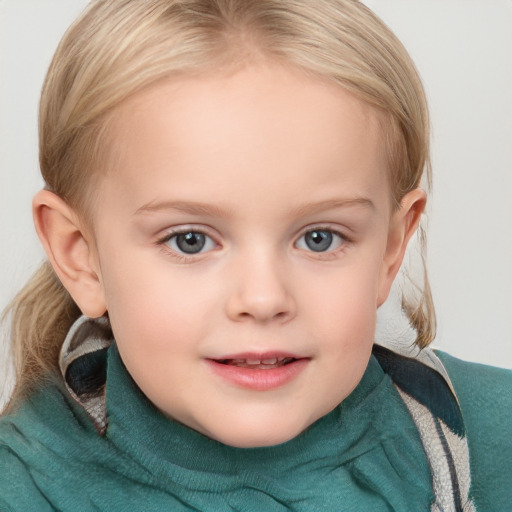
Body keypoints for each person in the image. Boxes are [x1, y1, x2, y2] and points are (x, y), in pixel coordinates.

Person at [0, 0, 510, 510]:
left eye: (320, 238)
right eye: (190, 240)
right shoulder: (24, 488)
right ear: (80, 254)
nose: (264, 299)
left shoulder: (493, 440)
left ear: (390, 248)